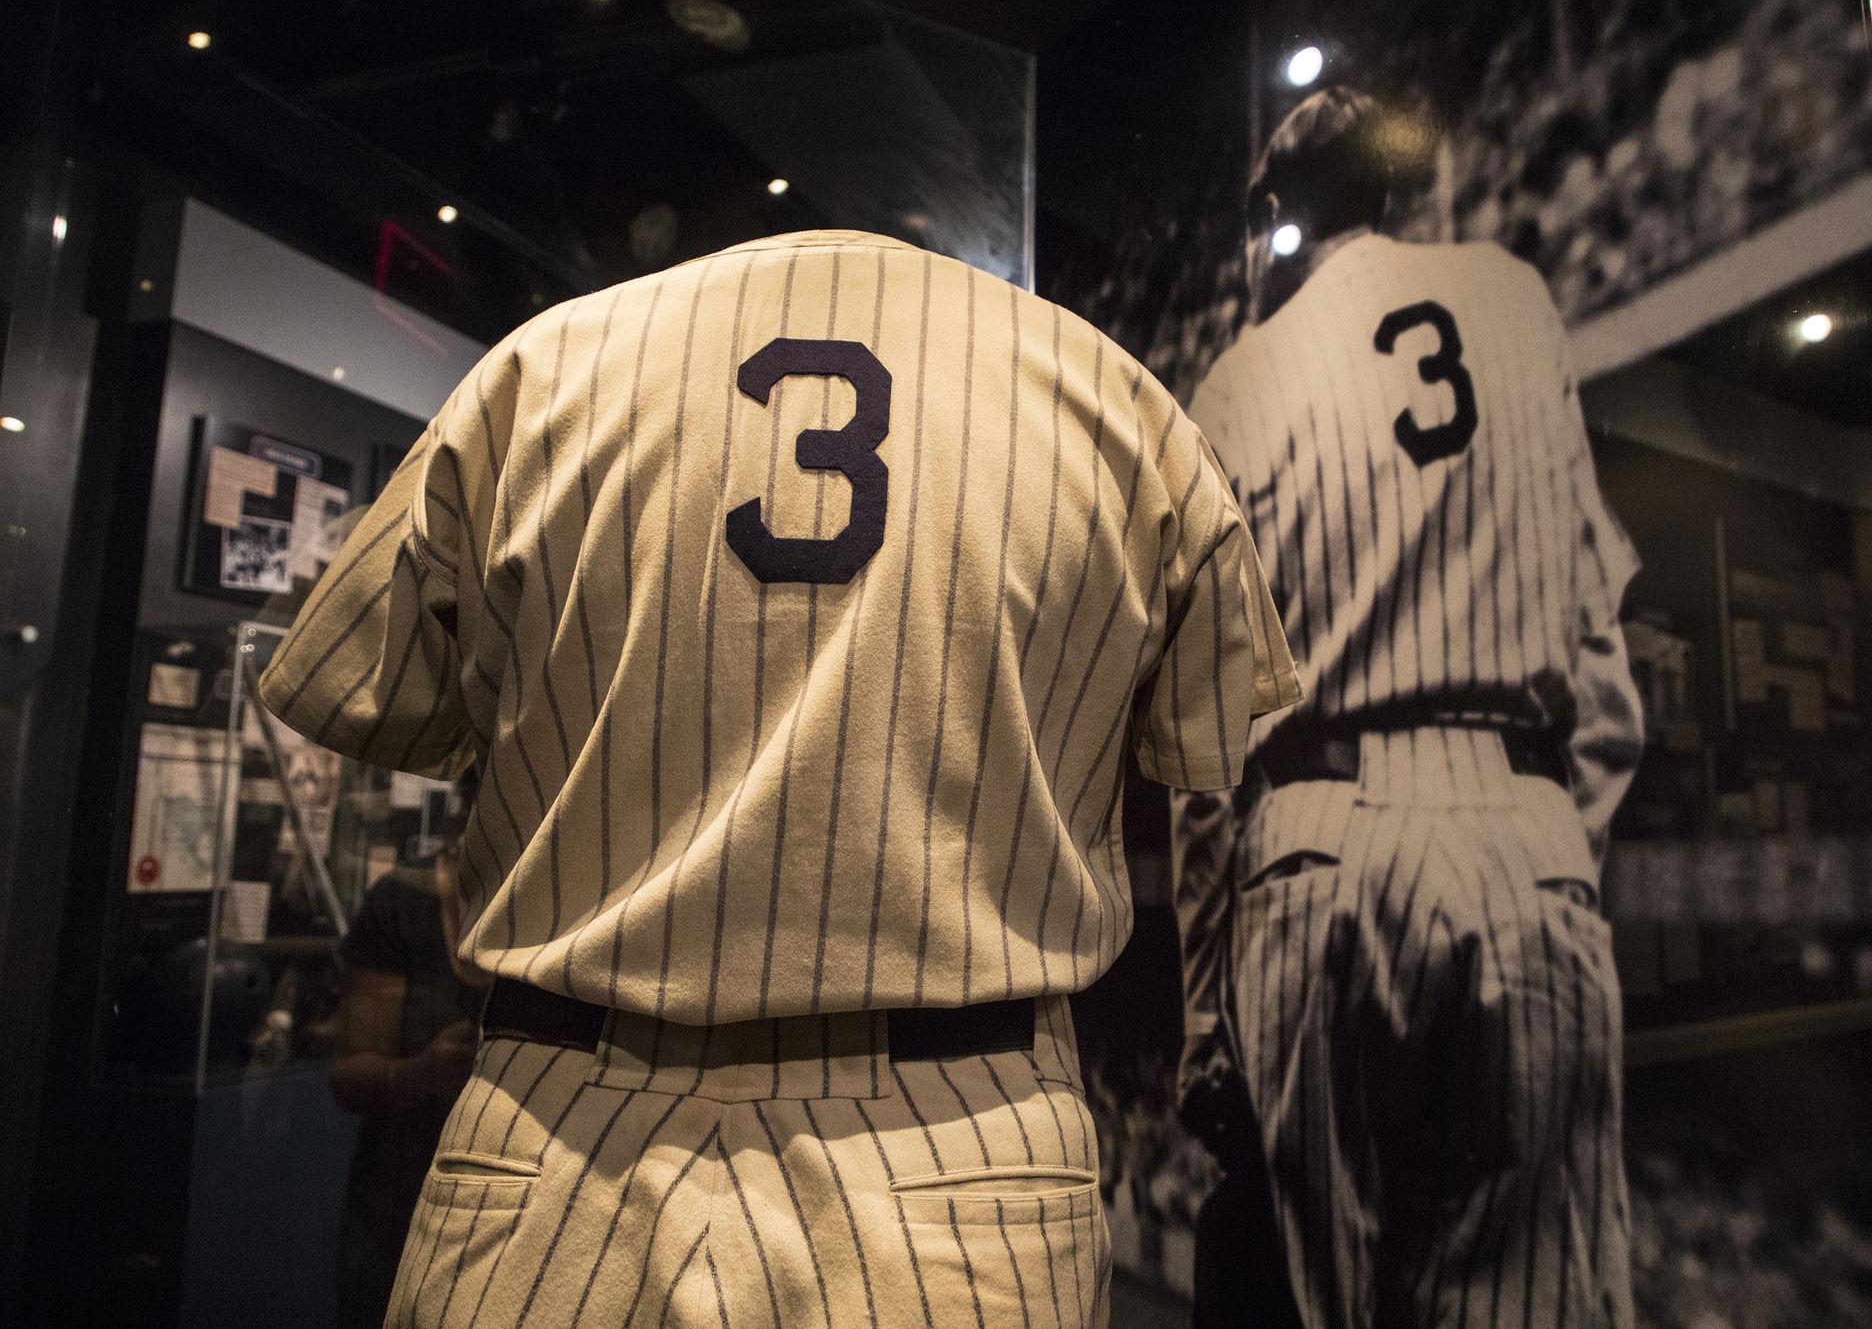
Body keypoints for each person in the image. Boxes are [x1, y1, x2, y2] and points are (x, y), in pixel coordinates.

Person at [257, 228, 1300, 1328]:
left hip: (562, 1123)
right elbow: (1204, 735)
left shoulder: (537, 370)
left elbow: (367, 693)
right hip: (964, 1145)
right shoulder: (1118, 401)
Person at [1173, 89, 1644, 1329]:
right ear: (1390, 188)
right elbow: (1601, 655)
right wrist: (1551, 852)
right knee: (1536, 1298)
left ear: (1278, 217)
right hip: (1522, 820)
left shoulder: (1235, 384)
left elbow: (1209, 758)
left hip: (1319, 850)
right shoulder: (1514, 298)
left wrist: (1207, 1015)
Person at [330, 830, 488, 1329]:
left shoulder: (557, 902)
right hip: (399, 1204)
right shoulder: (403, 899)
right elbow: (351, 1076)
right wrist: (423, 1072)